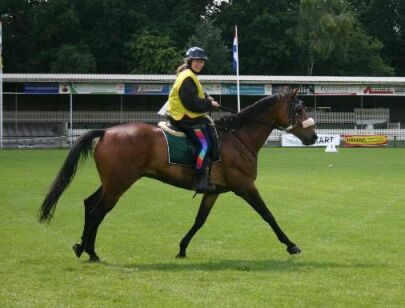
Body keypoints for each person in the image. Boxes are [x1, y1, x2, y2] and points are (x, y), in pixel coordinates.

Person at [167, 46, 220, 193]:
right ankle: (199, 179)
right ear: (190, 61)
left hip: (186, 115)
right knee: (204, 146)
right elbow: (193, 104)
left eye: (202, 62)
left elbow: (196, 94)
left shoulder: (189, 75)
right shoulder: (188, 77)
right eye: (197, 61)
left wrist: (206, 97)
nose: (200, 64)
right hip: (185, 117)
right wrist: (210, 104)